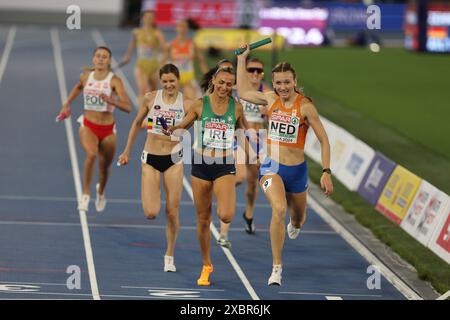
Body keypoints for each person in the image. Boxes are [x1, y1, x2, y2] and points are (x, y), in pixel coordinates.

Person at [236, 45, 333, 286]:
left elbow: (324, 140)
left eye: (286, 82)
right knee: (278, 209)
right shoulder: (270, 99)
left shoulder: (305, 107)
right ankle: (277, 267)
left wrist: (326, 171)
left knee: (298, 219)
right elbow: (243, 91)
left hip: (297, 172)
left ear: (294, 81)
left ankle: (296, 222)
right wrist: (241, 59)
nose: (282, 87)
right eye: (278, 83)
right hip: (272, 167)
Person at [164, 66, 249, 286]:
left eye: (229, 84)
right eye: (221, 82)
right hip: (201, 163)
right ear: (214, 80)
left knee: (226, 215)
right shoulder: (200, 105)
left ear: (233, 86)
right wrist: (173, 129)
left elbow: (244, 135)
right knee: (202, 219)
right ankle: (206, 265)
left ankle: (225, 209)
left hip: (223, 163)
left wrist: (251, 159)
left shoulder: (237, 108)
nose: (224, 87)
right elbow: (183, 126)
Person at [117, 64, 192, 273]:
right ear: (161, 81)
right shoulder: (150, 98)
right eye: (165, 81)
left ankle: (169, 254)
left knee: (172, 211)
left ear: (178, 80)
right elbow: (136, 123)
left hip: (174, 159)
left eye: (172, 81)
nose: (169, 85)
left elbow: (193, 125)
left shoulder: (186, 103)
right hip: (150, 158)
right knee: (151, 212)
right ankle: (152, 190)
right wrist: (126, 151)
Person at [58, 46, 132, 212]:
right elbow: (78, 87)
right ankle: (85, 194)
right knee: (91, 154)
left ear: (109, 60)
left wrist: (112, 101)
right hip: (88, 125)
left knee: (104, 168)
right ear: (93, 59)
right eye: (98, 56)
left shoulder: (114, 81)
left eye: (104, 56)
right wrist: (66, 104)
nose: (100, 59)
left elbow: (128, 107)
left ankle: (101, 191)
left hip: (107, 130)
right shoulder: (86, 77)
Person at [121, 10, 167, 105]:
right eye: (147, 17)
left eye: (151, 17)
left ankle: (150, 111)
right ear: (142, 18)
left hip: (154, 66)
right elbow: (132, 43)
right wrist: (127, 55)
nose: (149, 19)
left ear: (154, 19)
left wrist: (162, 61)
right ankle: (141, 114)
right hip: (141, 65)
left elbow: (165, 50)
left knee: (152, 92)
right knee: (143, 89)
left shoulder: (157, 33)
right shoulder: (137, 32)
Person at [167, 19, 209, 100]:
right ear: (176, 28)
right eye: (180, 26)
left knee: (191, 101)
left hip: (188, 77)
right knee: (172, 102)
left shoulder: (192, 45)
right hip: (175, 77)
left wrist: (209, 77)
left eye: (184, 27)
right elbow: (163, 62)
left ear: (187, 29)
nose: (181, 29)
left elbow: (202, 61)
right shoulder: (170, 45)